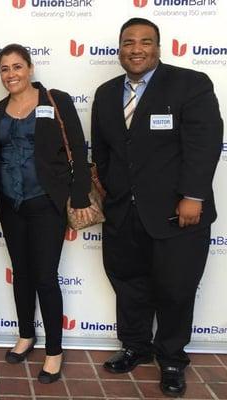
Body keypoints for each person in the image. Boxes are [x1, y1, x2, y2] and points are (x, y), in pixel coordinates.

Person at [91, 18, 222, 397]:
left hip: (178, 213)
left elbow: (205, 143)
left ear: (158, 47)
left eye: (145, 42)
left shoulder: (190, 84)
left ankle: (171, 359)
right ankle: (134, 346)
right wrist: (107, 194)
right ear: (119, 48)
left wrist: (193, 196)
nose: (136, 48)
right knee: (128, 284)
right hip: (122, 213)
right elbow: (102, 151)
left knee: (176, 289)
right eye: (128, 42)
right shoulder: (105, 92)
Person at [0, 44, 95, 383]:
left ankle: (54, 351)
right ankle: (26, 335)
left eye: (17, 66)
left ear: (30, 68)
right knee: (22, 273)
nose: (11, 74)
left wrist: (77, 196)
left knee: (45, 277)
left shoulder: (54, 100)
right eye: (4, 68)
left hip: (47, 204)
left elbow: (77, 146)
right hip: (12, 206)